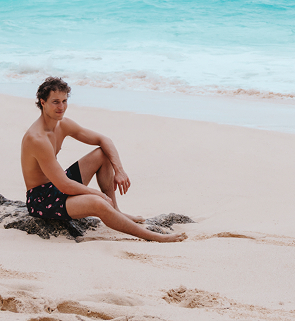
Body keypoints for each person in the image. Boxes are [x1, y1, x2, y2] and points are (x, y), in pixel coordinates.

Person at [20, 77, 186, 242]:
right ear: (42, 102)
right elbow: (64, 184)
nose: (61, 107)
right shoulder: (37, 139)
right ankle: (154, 237)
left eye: (64, 101)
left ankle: (116, 210)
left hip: (57, 185)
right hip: (42, 199)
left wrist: (119, 171)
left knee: (103, 154)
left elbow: (104, 140)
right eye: (55, 102)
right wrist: (98, 194)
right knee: (98, 203)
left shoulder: (62, 124)